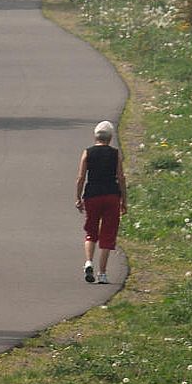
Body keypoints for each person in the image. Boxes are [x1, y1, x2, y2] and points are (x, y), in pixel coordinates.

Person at [74, 120, 127, 284]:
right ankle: (102, 273)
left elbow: (81, 177)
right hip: (111, 196)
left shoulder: (87, 153)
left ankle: (88, 261)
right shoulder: (115, 154)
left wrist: (78, 197)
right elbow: (121, 177)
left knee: (91, 232)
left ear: (95, 137)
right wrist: (124, 200)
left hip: (92, 196)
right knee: (108, 235)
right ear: (110, 138)